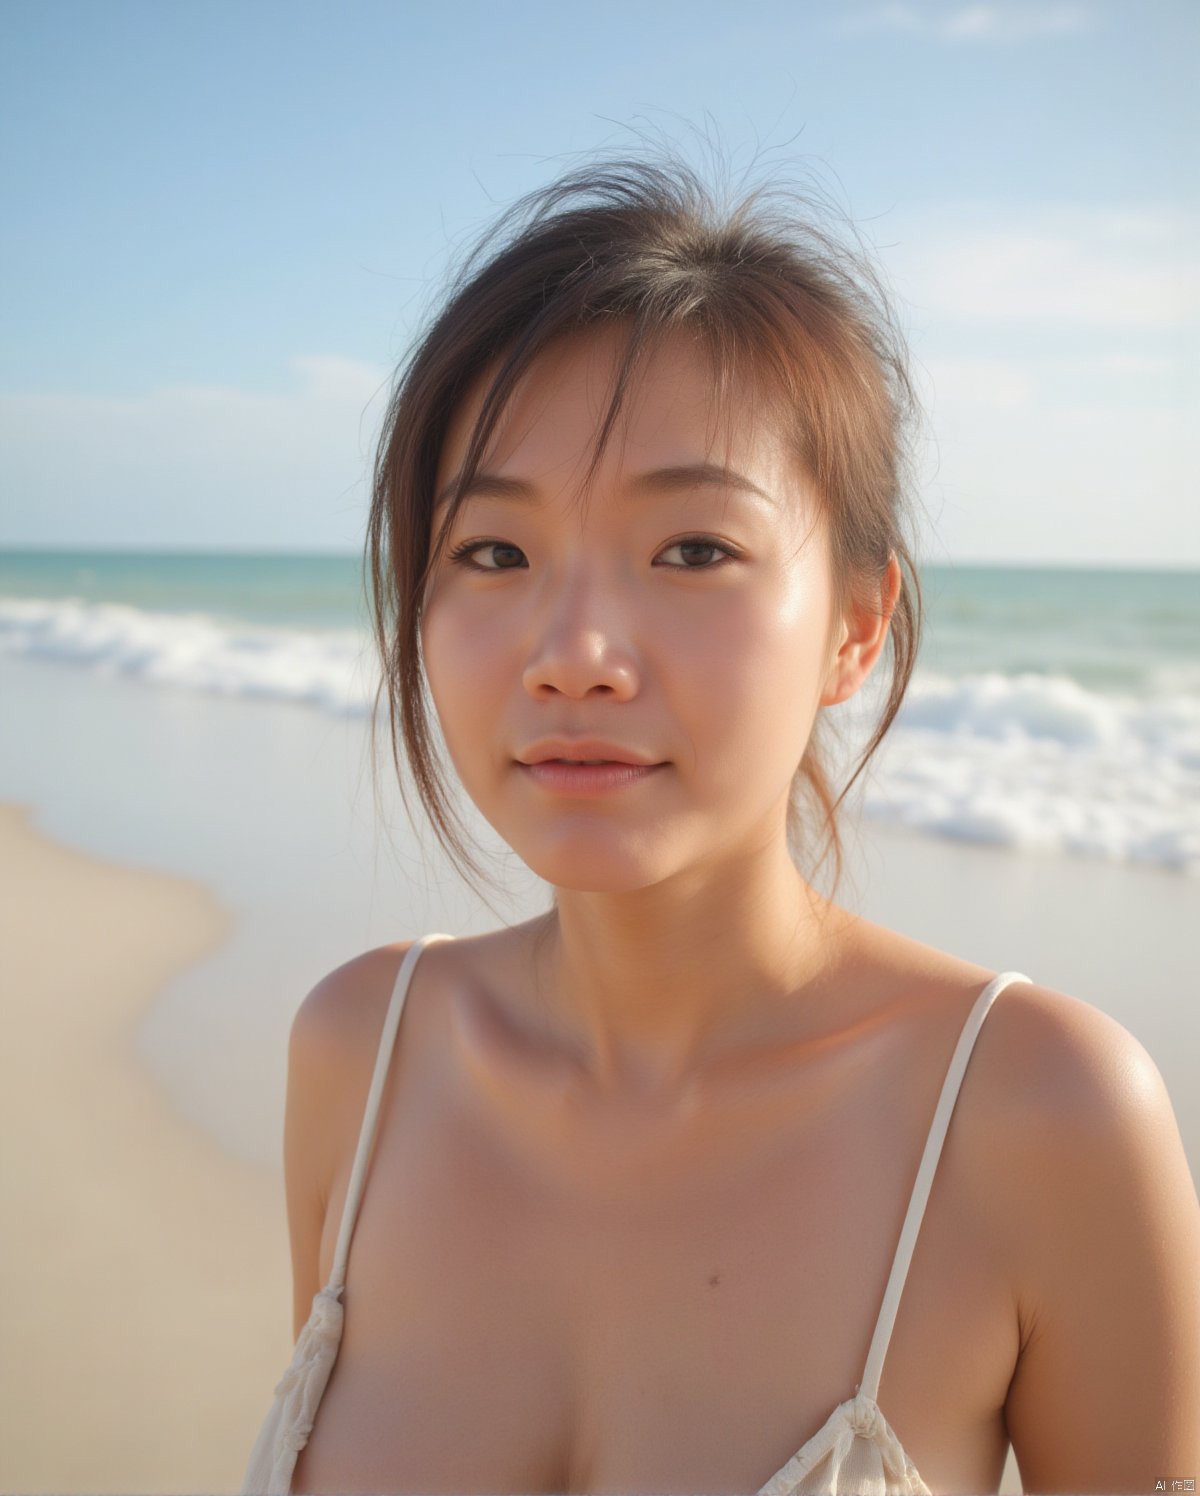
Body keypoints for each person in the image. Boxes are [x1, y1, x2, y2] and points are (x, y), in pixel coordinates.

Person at [242, 152, 1200, 1495]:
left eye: (693, 550)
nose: (573, 653)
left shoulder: (1035, 1116)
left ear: (859, 624)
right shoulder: (363, 1054)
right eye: (494, 553)